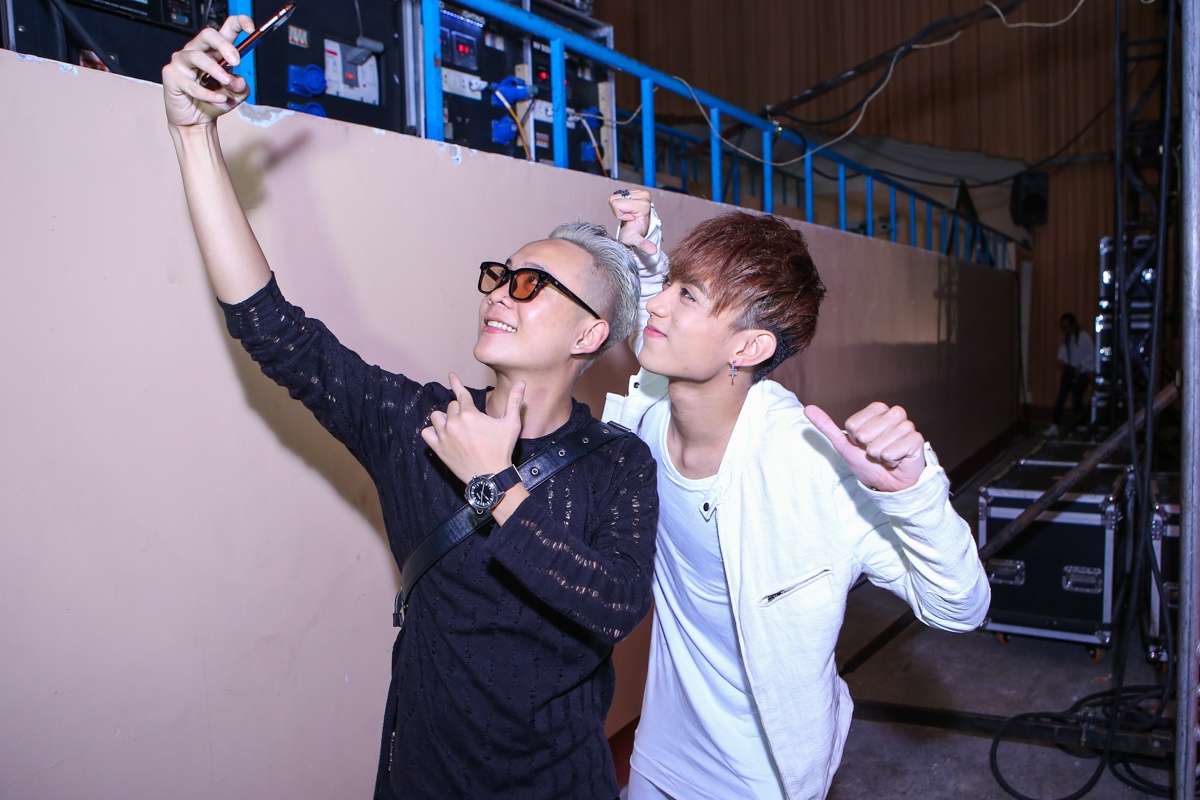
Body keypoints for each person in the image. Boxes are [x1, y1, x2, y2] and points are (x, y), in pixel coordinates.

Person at [161, 19, 658, 799]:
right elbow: (272, 329)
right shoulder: (419, 425)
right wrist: (193, 136)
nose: (500, 292)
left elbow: (614, 604)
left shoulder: (619, 463)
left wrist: (496, 486)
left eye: (530, 285)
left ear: (589, 334)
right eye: (501, 276)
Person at [603, 190, 991, 800]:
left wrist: (914, 494)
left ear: (749, 349)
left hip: (763, 778)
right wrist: (651, 254)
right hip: (660, 753)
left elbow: (960, 607)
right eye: (671, 286)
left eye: (687, 295)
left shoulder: (809, 468)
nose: (657, 304)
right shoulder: (653, 410)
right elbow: (653, 334)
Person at [1043, 312, 1096, 438]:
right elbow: (1061, 357)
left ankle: (1083, 424)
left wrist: (1082, 366)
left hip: (1082, 373)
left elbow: (1093, 354)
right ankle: (1054, 426)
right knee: (1061, 399)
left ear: (1073, 325)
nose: (1064, 329)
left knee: (1077, 399)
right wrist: (1066, 366)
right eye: (1062, 327)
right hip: (1070, 372)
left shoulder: (1084, 337)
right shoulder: (1067, 339)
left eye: (1066, 326)